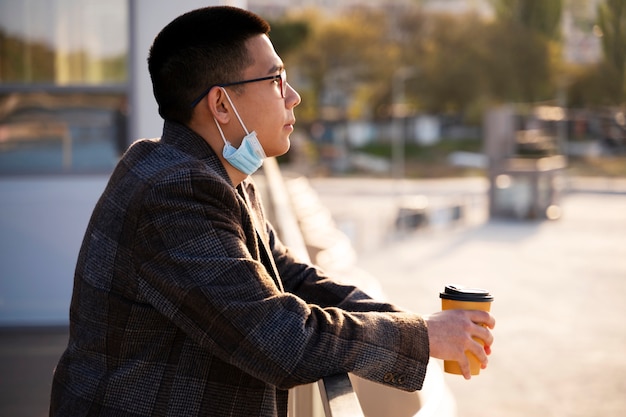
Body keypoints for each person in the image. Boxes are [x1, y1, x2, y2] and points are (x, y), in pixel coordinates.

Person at [49, 6, 495, 417]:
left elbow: (289, 275)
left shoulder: (213, 173)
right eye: (276, 80)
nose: (294, 96)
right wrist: (422, 337)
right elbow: (279, 339)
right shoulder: (174, 192)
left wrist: (411, 323)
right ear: (221, 104)